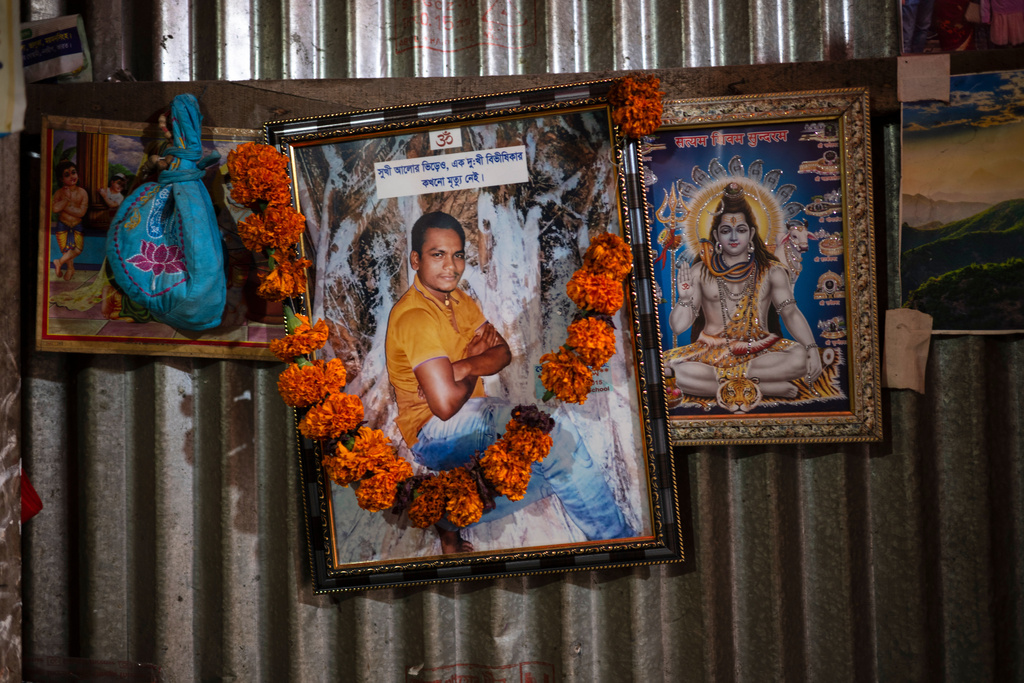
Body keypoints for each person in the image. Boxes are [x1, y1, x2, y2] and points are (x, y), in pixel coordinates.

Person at [385, 211, 633, 553]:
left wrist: (457, 367)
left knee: (557, 467)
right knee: (552, 437)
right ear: (416, 259)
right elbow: (443, 408)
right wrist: (473, 367)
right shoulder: (416, 317)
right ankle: (619, 544)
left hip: (470, 413)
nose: (450, 266)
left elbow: (502, 353)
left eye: (457, 254)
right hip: (432, 433)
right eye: (437, 254)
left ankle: (449, 514)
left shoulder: (458, 300)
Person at [664, 183, 823, 407]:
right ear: (717, 235)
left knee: (799, 357)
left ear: (751, 233)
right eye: (726, 231)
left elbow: (790, 312)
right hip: (711, 353)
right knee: (665, 368)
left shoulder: (771, 270)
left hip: (759, 350)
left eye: (740, 230)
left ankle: (729, 384)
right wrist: (684, 298)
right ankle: (764, 387)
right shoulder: (700, 271)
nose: (734, 237)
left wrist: (811, 348)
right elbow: (678, 327)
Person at [51, 160, 90, 281]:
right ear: (62, 179)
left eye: (73, 172)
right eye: (67, 174)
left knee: (77, 249)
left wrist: (65, 206)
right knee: (66, 250)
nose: (72, 176)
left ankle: (59, 262)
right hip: (63, 225)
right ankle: (70, 269)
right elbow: (55, 209)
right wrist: (67, 199)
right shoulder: (59, 193)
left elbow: (81, 213)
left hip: (77, 224)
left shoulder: (82, 192)